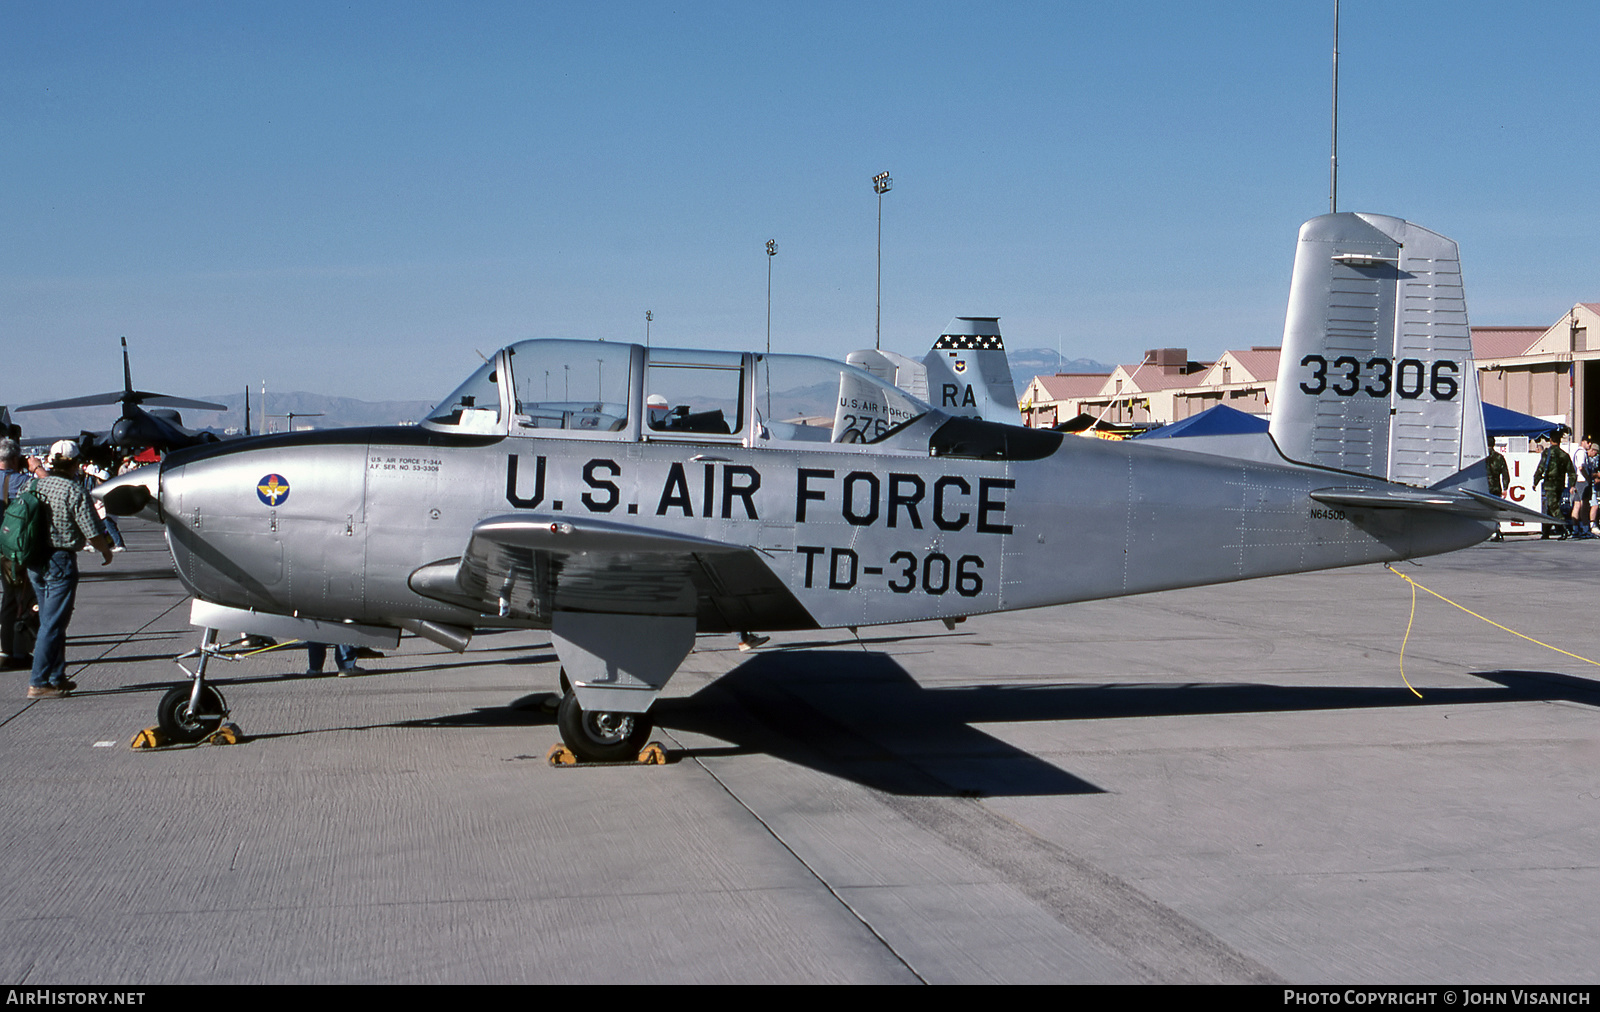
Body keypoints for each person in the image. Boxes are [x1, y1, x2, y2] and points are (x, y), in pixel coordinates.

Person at [24, 440, 113, 698]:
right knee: (53, 624)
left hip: (34, 560)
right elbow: (92, 530)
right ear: (74, 464)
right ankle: (38, 681)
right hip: (59, 560)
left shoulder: (35, 485)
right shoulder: (74, 491)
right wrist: (105, 551)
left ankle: (56, 675)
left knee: (51, 621)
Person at [1, 438, 37, 669]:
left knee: (8, 598)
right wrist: (35, 468)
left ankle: (5, 650)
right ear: (16, 458)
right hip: (12, 549)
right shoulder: (20, 482)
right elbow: (49, 486)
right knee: (21, 599)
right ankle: (19, 651)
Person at [1532, 432, 1577, 540]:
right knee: (1551, 506)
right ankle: (1546, 532)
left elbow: (1541, 468)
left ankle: (1564, 527)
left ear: (1551, 440)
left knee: (1553, 506)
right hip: (1560, 485)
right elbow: (1571, 472)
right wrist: (1572, 485)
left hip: (1550, 484)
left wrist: (1535, 481)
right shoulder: (1565, 455)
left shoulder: (1547, 453)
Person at [1485, 445, 1510, 542]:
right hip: (1496, 487)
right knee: (1495, 510)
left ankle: (1496, 531)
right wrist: (1505, 487)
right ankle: (1497, 531)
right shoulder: (1499, 457)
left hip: (1485, 486)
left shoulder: (1483, 457)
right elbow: (1505, 474)